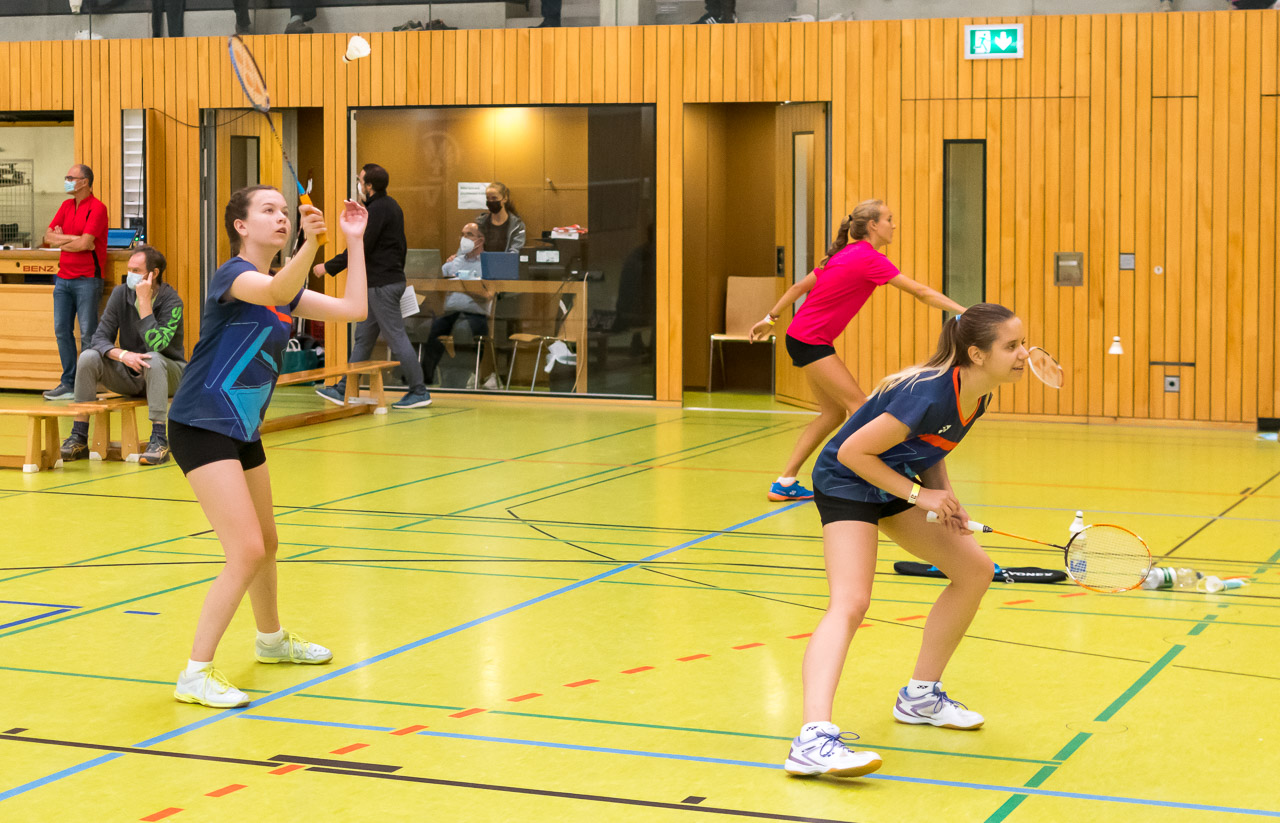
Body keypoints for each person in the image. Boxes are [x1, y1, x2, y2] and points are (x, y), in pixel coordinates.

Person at [783, 302, 1028, 777]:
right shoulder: (927, 393)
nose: (1024, 354)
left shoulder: (978, 395)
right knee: (851, 602)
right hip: (847, 481)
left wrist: (948, 500)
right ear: (977, 355)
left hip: (894, 482)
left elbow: (932, 447)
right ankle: (811, 738)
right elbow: (852, 452)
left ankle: (920, 697)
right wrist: (921, 496)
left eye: (1023, 344)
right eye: (1012, 346)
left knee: (974, 571)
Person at [167, 186, 368, 708]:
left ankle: (271, 641)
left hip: (242, 430)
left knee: (268, 542)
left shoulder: (285, 289)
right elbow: (276, 288)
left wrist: (353, 239)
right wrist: (310, 244)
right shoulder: (233, 277)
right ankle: (195, 674)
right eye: (268, 210)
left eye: (284, 210)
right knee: (247, 550)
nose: (281, 217)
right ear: (241, 226)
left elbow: (355, 308)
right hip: (201, 423)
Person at [750, 200, 965, 502]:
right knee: (862, 407)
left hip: (802, 336)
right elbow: (920, 291)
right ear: (873, 225)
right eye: (889, 219)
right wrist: (965, 311)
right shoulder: (869, 258)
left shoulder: (843, 254)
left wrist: (770, 318)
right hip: (810, 340)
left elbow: (799, 287)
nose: (894, 225)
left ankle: (784, 482)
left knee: (832, 414)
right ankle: (861, 474)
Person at [313, 164, 431, 409]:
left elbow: (360, 246)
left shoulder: (378, 210)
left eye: (360, 181)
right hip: (383, 283)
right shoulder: (390, 206)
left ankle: (419, 391)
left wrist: (328, 267)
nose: (358, 184)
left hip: (381, 285)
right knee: (363, 338)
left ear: (368, 186)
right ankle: (344, 388)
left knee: (396, 337)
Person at [60, 245, 185, 466]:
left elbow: (157, 345)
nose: (130, 275)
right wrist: (124, 355)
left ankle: (159, 438)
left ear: (154, 273)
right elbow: (99, 338)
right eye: (129, 269)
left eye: (136, 270)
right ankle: (79, 435)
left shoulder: (172, 301)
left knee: (153, 358)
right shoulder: (120, 294)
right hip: (131, 371)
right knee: (88, 357)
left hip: (169, 374)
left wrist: (144, 303)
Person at [42, 164, 108, 401]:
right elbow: (48, 237)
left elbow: (86, 244)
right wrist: (72, 239)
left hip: (87, 279)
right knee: (62, 330)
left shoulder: (98, 208)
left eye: (71, 177)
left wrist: (63, 240)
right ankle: (68, 383)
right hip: (63, 278)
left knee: (89, 333)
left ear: (85, 182)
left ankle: (86, 384)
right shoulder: (66, 206)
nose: (67, 180)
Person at [422, 223, 492, 387]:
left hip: (476, 314)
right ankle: (426, 378)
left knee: (462, 331)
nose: (463, 238)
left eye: (469, 234)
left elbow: (488, 294)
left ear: (480, 240)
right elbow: (435, 281)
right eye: (462, 234)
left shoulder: (488, 263)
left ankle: (463, 377)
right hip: (451, 313)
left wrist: (464, 287)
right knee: (428, 328)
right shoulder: (455, 262)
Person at [476, 182, 525, 254]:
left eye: (494, 198)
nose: (491, 201)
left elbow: (515, 250)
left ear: (505, 198)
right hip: (484, 260)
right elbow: (474, 245)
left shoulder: (517, 225)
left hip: (507, 260)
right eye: (488, 198)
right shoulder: (480, 222)